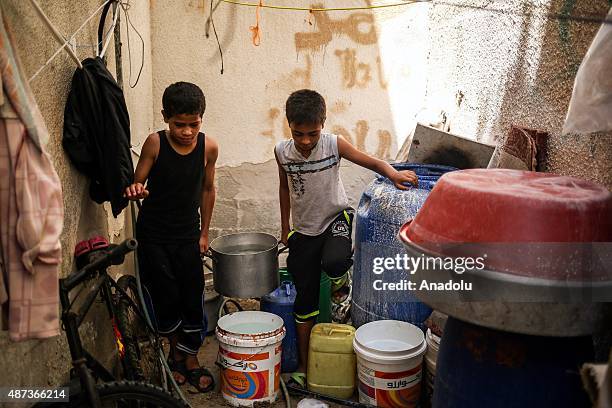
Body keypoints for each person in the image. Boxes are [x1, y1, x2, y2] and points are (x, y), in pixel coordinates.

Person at [274, 89, 418, 387]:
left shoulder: (332, 144)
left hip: (335, 218)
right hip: (303, 230)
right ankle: (305, 367)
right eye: (298, 133)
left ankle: (341, 284)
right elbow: (285, 188)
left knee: (336, 260)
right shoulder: (281, 152)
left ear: (323, 123)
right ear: (289, 125)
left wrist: (394, 174)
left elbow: (371, 162)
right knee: (305, 303)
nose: (305, 141)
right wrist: (285, 227)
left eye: (312, 133)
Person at [125, 82, 218, 393]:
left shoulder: (209, 147)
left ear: (201, 119)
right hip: (153, 234)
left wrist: (204, 233)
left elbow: (207, 189)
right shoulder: (155, 143)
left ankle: (190, 358)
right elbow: (136, 184)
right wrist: (136, 189)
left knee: (192, 293)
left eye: (194, 124)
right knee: (165, 293)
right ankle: (174, 353)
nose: (187, 131)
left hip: (187, 233)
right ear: (166, 117)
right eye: (180, 124)